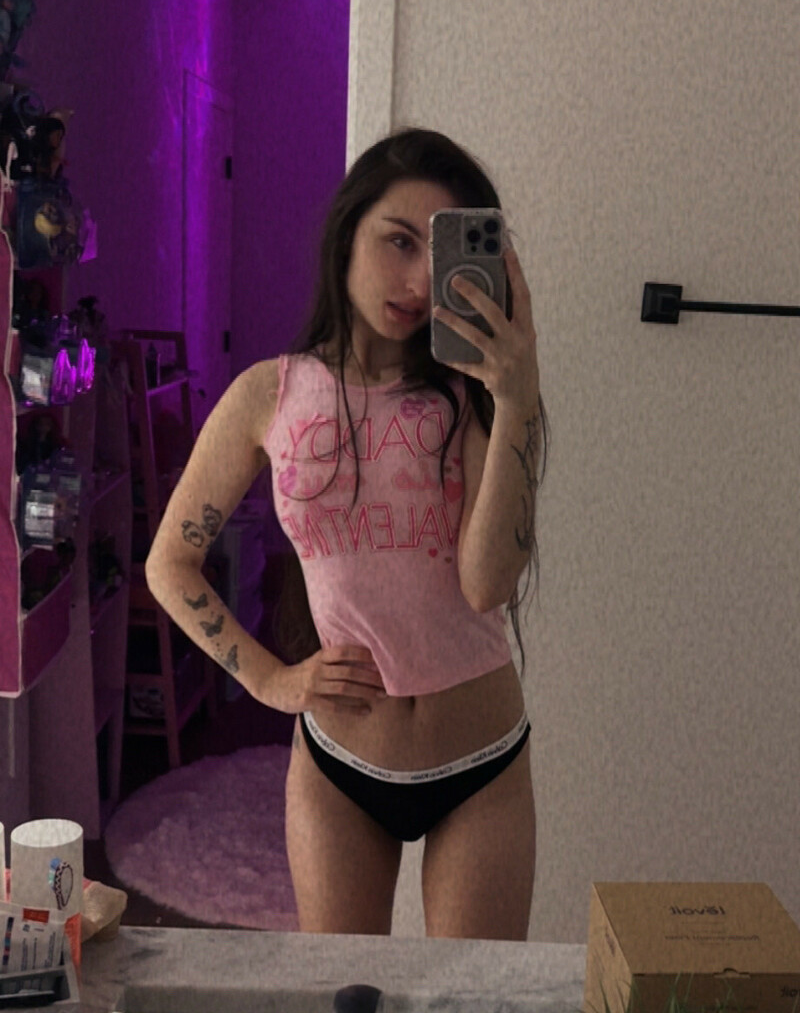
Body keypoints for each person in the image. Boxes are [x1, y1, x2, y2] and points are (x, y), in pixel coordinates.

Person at [145, 128, 546, 939]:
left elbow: (486, 586)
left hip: (481, 764)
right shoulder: (269, 394)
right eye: (398, 241)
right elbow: (170, 564)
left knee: (470, 1010)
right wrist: (269, 680)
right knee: (344, 1003)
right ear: (347, 231)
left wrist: (516, 400)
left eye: (436, 253)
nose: (418, 281)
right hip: (340, 771)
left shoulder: (474, 396)